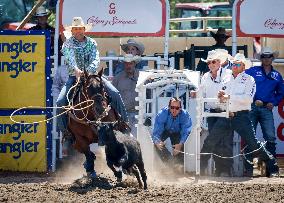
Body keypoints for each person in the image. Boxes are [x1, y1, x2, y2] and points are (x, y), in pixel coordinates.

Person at [200, 53, 278, 177]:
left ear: (243, 67)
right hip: (227, 114)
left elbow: (248, 99)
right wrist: (221, 96)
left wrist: (228, 97)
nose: (235, 66)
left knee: (253, 144)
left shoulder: (249, 79)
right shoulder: (226, 78)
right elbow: (223, 95)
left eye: (238, 64)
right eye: (234, 64)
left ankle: (272, 167)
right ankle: (201, 168)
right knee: (210, 140)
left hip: (241, 116)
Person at [56, 17, 128, 137]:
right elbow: (70, 57)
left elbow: (95, 59)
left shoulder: (92, 43)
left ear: (84, 29)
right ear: (72, 31)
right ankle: (65, 131)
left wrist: (87, 72)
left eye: (80, 28)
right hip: (74, 77)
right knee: (60, 102)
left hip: (93, 76)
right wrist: (76, 69)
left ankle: (124, 122)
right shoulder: (67, 44)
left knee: (115, 93)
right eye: (75, 29)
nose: (78, 31)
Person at [192, 49, 234, 176]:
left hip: (225, 111)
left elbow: (227, 90)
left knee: (219, 140)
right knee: (218, 141)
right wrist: (195, 93)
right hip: (212, 112)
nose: (211, 64)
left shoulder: (228, 74)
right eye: (209, 63)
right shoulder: (205, 76)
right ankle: (220, 169)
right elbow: (201, 91)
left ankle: (209, 165)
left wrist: (223, 94)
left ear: (219, 62)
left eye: (213, 62)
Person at [245, 47, 284, 176]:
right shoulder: (252, 71)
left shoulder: (277, 75)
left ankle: (270, 169)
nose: (266, 59)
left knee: (271, 138)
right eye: (264, 56)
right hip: (252, 107)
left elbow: (281, 93)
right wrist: (251, 99)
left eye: (269, 56)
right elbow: (242, 80)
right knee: (249, 136)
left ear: (272, 58)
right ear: (261, 58)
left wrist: (274, 103)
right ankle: (248, 169)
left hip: (267, 108)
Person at [152, 97, 192, 168]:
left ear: (180, 108)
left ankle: (179, 166)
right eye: (172, 107)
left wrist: (180, 144)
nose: (174, 110)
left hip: (177, 132)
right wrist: (157, 142)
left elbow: (185, 132)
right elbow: (156, 132)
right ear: (169, 107)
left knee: (181, 145)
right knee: (156, 144)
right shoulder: (162, 114)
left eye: (177, 108)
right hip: (165, 131)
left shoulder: (185, 115)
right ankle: (170, 163)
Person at [112, 54, 141, 137]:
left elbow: (149, 94)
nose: (128, 66)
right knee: (125, 139)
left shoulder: (141, 77)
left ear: (134, 64)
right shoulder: (117, 78)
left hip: (139, 114)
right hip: (124, 114)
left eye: (130, 63)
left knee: (136, 138)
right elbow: (113, 97)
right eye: (126, 63)